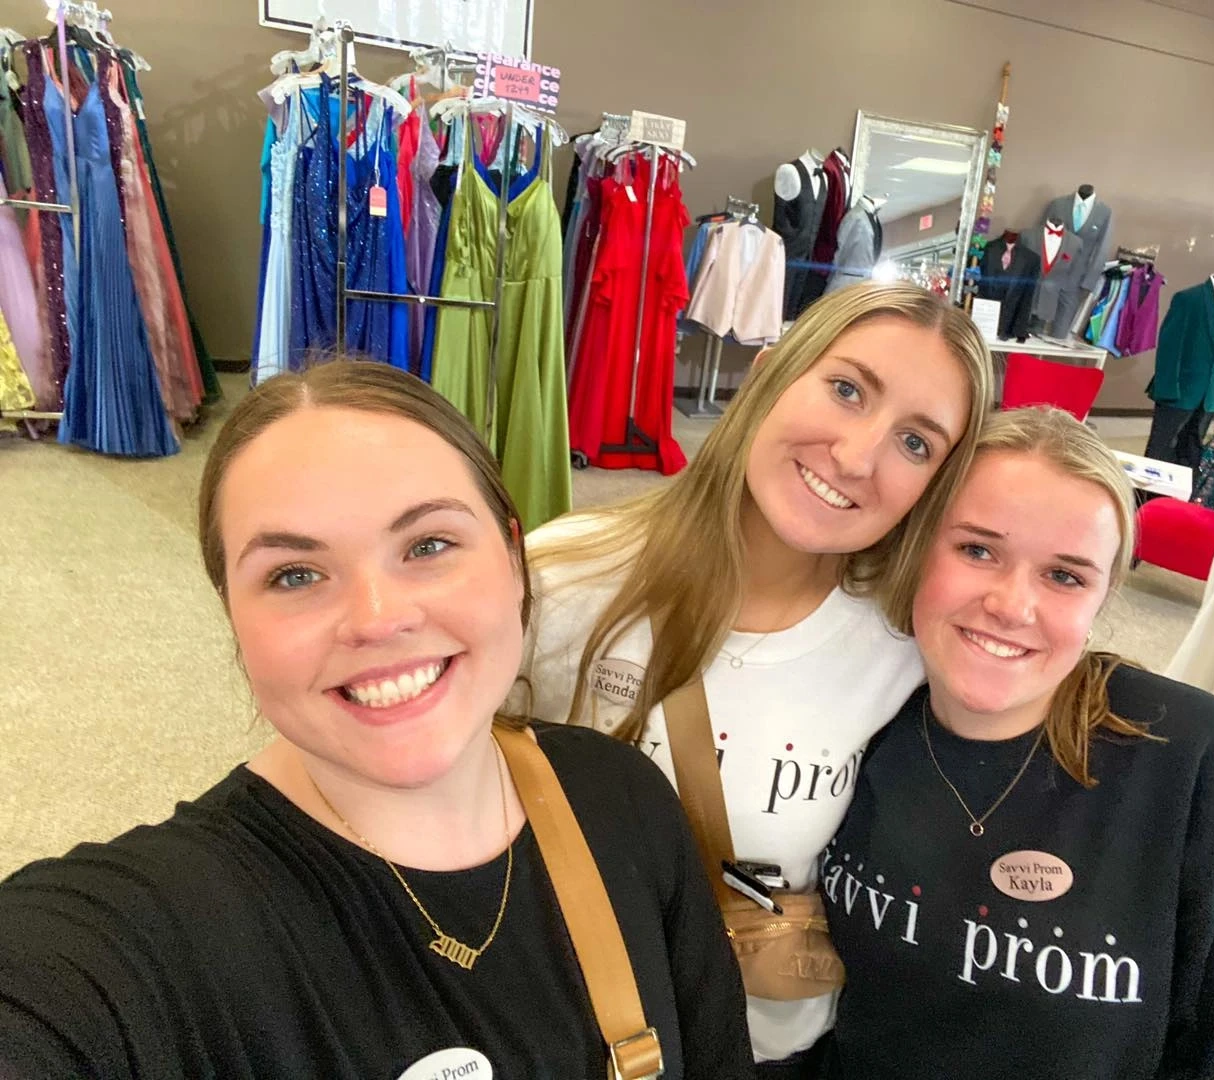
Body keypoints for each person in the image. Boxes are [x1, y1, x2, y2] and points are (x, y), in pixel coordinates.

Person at [0, 361, 751, 1079]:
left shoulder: (620, 798)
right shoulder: (145, 931)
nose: (377, 619)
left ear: (513, 557)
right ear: (232, 615)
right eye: (295, 575)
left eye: (428, 545)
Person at [521, 283, 993, 1075]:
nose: (856, 456)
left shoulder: (909, 648)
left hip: (766, 1049)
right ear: (769, 373)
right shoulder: (561, 580)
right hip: (569, 1035)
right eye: (846, 390)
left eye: (915, 442)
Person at [822, 406, 1214, 1079]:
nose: (1011, 605)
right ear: (918, 549)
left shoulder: (1195, 761)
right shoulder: (860, 712)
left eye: (1064, 576)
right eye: (977, 550)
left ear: (1103, 597)